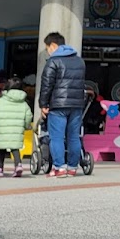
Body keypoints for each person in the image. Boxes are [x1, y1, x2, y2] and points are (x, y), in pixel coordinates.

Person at [38, 32, 87, 178]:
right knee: (74, 136)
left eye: (47, 48)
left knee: (57, 137)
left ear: (53, 45)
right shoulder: (80, 61)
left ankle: (59, 168)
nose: (48, 51)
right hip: (77, 105)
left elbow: (46, 85)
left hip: (58, 105)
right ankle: (72, 167)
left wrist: (43, 104)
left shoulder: (53, 61)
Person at [0, 77, 32, 177]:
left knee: (1, 149)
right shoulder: (24, 104)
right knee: (15, 148)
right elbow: (28, 117)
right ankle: (18, 165)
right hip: (17, 130)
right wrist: (26, 126)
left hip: (1, 130)